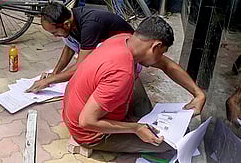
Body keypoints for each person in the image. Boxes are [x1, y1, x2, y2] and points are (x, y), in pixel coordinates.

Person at [62, 16, 206, 153]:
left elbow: (166, 65)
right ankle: (128, 125)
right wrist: (135, 128)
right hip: (89, 132)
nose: (161, 58)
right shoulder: (121, 74)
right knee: (171, 142)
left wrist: (198, 93)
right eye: (161, 53)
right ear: (156, 46)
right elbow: (86, 121)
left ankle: (132, 119)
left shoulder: (123, 39)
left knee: (139, 95)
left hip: (78, 108)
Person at [26, 3, 133, 92]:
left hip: (128, 55)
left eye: (54, 32)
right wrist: (55, 73)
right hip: (110, 45)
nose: (54, 36)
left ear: (66, 24)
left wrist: (49, 81)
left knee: (88, 70)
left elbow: (81, 65)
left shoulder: (90, 25)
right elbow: (69, 48)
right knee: (68, 39)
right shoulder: (71, 18)